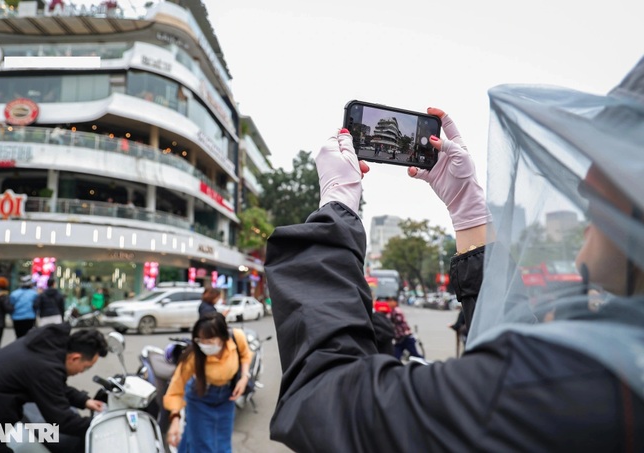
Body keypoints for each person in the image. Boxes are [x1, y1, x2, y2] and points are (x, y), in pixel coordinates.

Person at [264, 57, 644, 452]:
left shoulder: (577, 384)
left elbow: (327, 401)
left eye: (617, 160)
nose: (586, 184)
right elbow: (507, 340)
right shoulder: (617, 366)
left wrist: (337, 211)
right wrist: (469, 212)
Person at [0, 324, 108, 453]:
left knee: (44, 434)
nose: (83, 371)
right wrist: (102, 424)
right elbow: (63, 421)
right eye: (87, 367)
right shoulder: (45, 367)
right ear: (75, 358)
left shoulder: (44, 349)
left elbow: (55, 387)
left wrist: (85, 401)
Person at [164, 312, 253, 452]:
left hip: (227, 398)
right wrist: (175, 420)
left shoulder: (236, 338)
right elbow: (176, 390)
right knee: (203, 446)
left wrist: (244, 377)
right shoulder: (193, 357)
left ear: (223, 337)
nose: (204, 345)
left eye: (209, 342)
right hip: (200, 399)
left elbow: (245, 355)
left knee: (223, 445)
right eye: (200, 341)